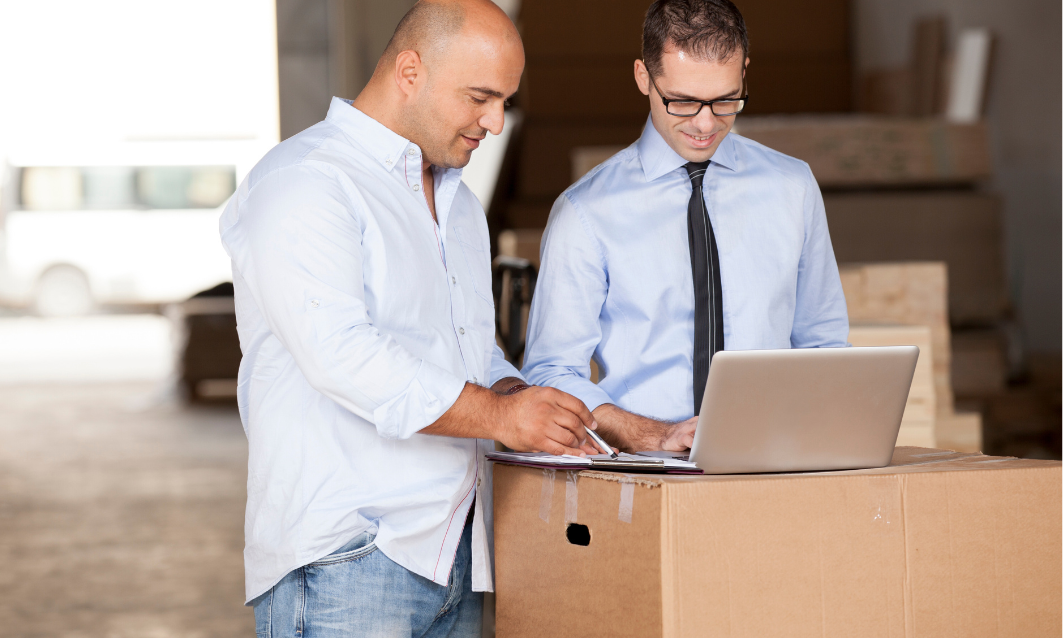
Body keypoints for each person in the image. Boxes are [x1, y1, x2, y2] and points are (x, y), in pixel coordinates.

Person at [219, 1, 600, 635]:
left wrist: (515, 393)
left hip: (454, 551)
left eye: (504, 100)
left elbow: (470, 357)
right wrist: (500, 413)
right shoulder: (307, 181)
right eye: (481, 97)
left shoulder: (458, 206)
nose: (497, 122)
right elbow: (341, 355)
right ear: (410, 70)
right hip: (349, 560)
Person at [521, 0, 849, 453]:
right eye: (683, 101)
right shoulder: (585, 212)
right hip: (646, 474)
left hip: (774, 462)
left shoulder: (793, 188)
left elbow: (823, 345)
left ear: (745, 73)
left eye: (726, 100)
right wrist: (655, 435)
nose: (705, 123)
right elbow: (551, 373)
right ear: (643, 78)